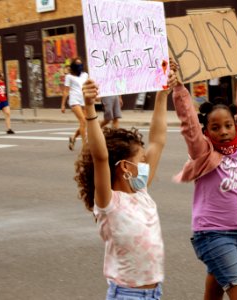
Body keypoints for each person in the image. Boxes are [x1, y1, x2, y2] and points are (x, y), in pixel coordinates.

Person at [74, 69, 177, 300]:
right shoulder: (109, 202)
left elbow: (158, 139)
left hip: (154, 293)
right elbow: (100, 156)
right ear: (124, 167)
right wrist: (90, 107)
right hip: (126, 295)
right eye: (141, 160)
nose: (146, 164)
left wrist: (162, 94)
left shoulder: (140, 191)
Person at [172, 48, 237, 300]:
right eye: (215, 127)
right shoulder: (204, 153)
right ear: (207, 131)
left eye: (228, 125)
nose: (224, 131)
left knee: (213, 295)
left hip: (236, 233)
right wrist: (179, 89)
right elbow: (189, 124)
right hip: (212, 234)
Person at [61, 57, 89, 151]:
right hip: (74, 100)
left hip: (83, 100)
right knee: (83, 121)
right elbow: (65, 91)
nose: (79, 65)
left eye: (80, 63)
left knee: (85, 122)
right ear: (73, 65)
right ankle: (85, 146)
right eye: (77, 63)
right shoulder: (69, 76)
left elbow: (88, 86)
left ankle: (73, 138)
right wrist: (63, 105)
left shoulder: (85, 75)